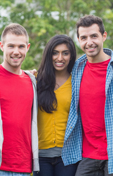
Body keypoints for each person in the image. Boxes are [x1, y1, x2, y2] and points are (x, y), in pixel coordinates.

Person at [62, 15, 113, 176]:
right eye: (83, 37)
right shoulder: (76, 68)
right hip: (88, 154)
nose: (89, 42)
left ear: (104, 36)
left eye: (94, 36)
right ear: (78, 40)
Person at [0, 23, 39, 175]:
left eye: (21, 46)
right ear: (2, 46)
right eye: (11, 46)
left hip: (24, 168)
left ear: (28, 47)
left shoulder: (32, 81)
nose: (16, 51)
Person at [34, 35, 78, 176]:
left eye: (65, 53)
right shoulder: (35, 81)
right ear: (49, 55)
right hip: (40, 156)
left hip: (68, 156)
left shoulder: (76, 83)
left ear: (71, 56)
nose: (60, 58)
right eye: (55, 52)